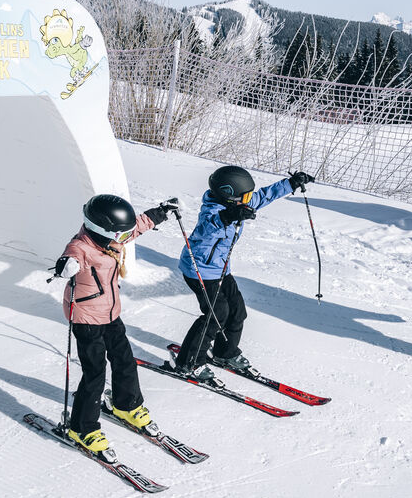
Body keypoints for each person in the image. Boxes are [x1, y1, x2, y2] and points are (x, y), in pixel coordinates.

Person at [52, 193, 176, 454]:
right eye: (120, 235)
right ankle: (81, 428)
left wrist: (161, 212)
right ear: (101, 229)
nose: (124, 239)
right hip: (86, 318)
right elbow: (69, 258)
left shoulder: (111, 239)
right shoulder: (81, 247)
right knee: (95, 373)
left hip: (110, 313)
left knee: (125, 359)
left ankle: (126, 405)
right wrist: (66, 267)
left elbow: (137, 227)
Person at [168, 165, 314, 382]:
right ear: (229, 195)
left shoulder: (239, 201)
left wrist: (290, 184)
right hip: (200, 271)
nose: (249, 200)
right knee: (216, 315)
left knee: (237, 311)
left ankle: (224, 353)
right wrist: (228, 216)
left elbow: (264, 196)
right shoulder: (212, 211)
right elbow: (208, 228)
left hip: (221, 269)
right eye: (244, 197)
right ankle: (189, 362)